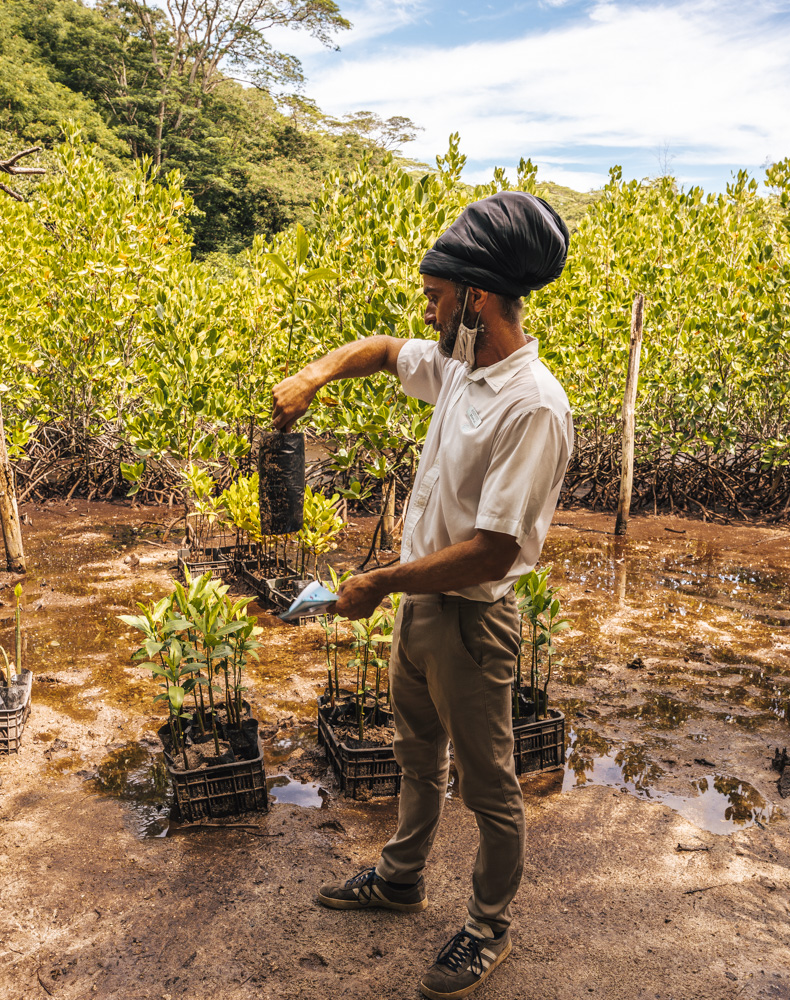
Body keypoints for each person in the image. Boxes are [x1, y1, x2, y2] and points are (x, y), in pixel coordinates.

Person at [271, 190, 573, 999]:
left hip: (473, 624)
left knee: (489, 788)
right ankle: (401, 880)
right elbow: (379, 348)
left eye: (437, 296)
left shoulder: (532, 404)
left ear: (477, 298)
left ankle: (486, 926)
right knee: (415, 753)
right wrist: (314, 375)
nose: (427, 309)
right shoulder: (460, 370)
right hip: (419, 611)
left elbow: (494, 550)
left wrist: (378, 583)